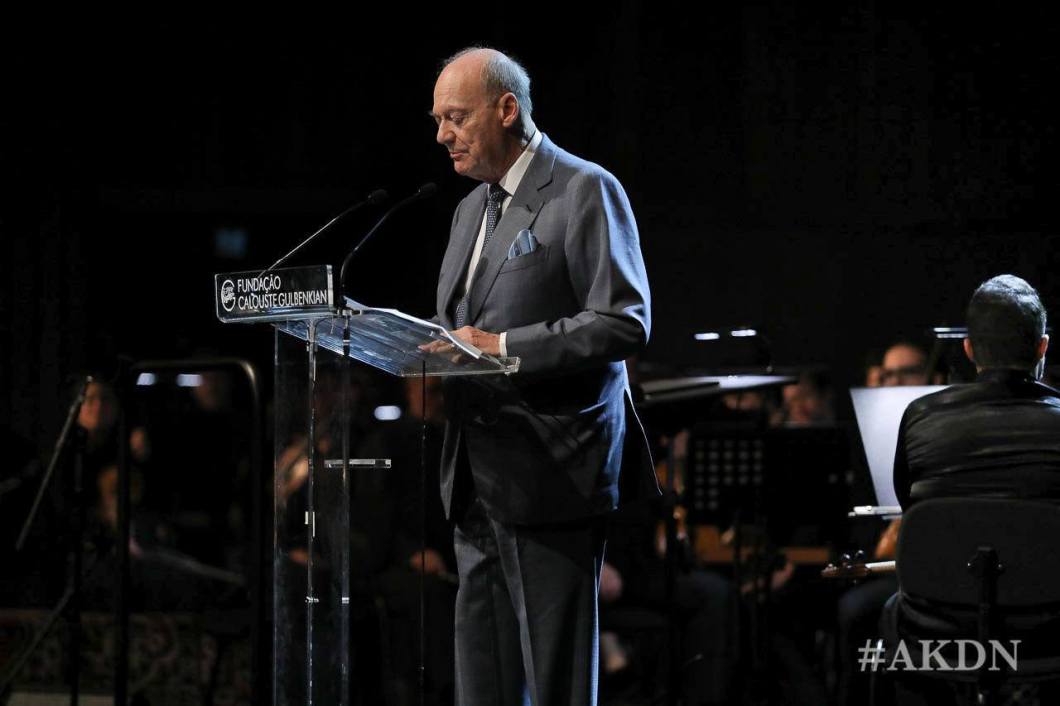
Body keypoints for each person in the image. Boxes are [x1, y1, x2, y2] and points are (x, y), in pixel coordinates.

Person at [428, 47, 656, 705]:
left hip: (554, 474)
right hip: (476, 476)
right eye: (437, 120)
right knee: (484, 684)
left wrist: (501, 346)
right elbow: (461, 324)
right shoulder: (468, 210)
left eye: (455, 117)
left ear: (507, 109)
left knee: (557, 682)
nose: (442, 135)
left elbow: (624, 322)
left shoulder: (585, 188)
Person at [893, 275, 1060, 508]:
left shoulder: (919, 416)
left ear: (968, 348)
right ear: (1042, 347)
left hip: (948, 534)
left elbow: (910, 507)